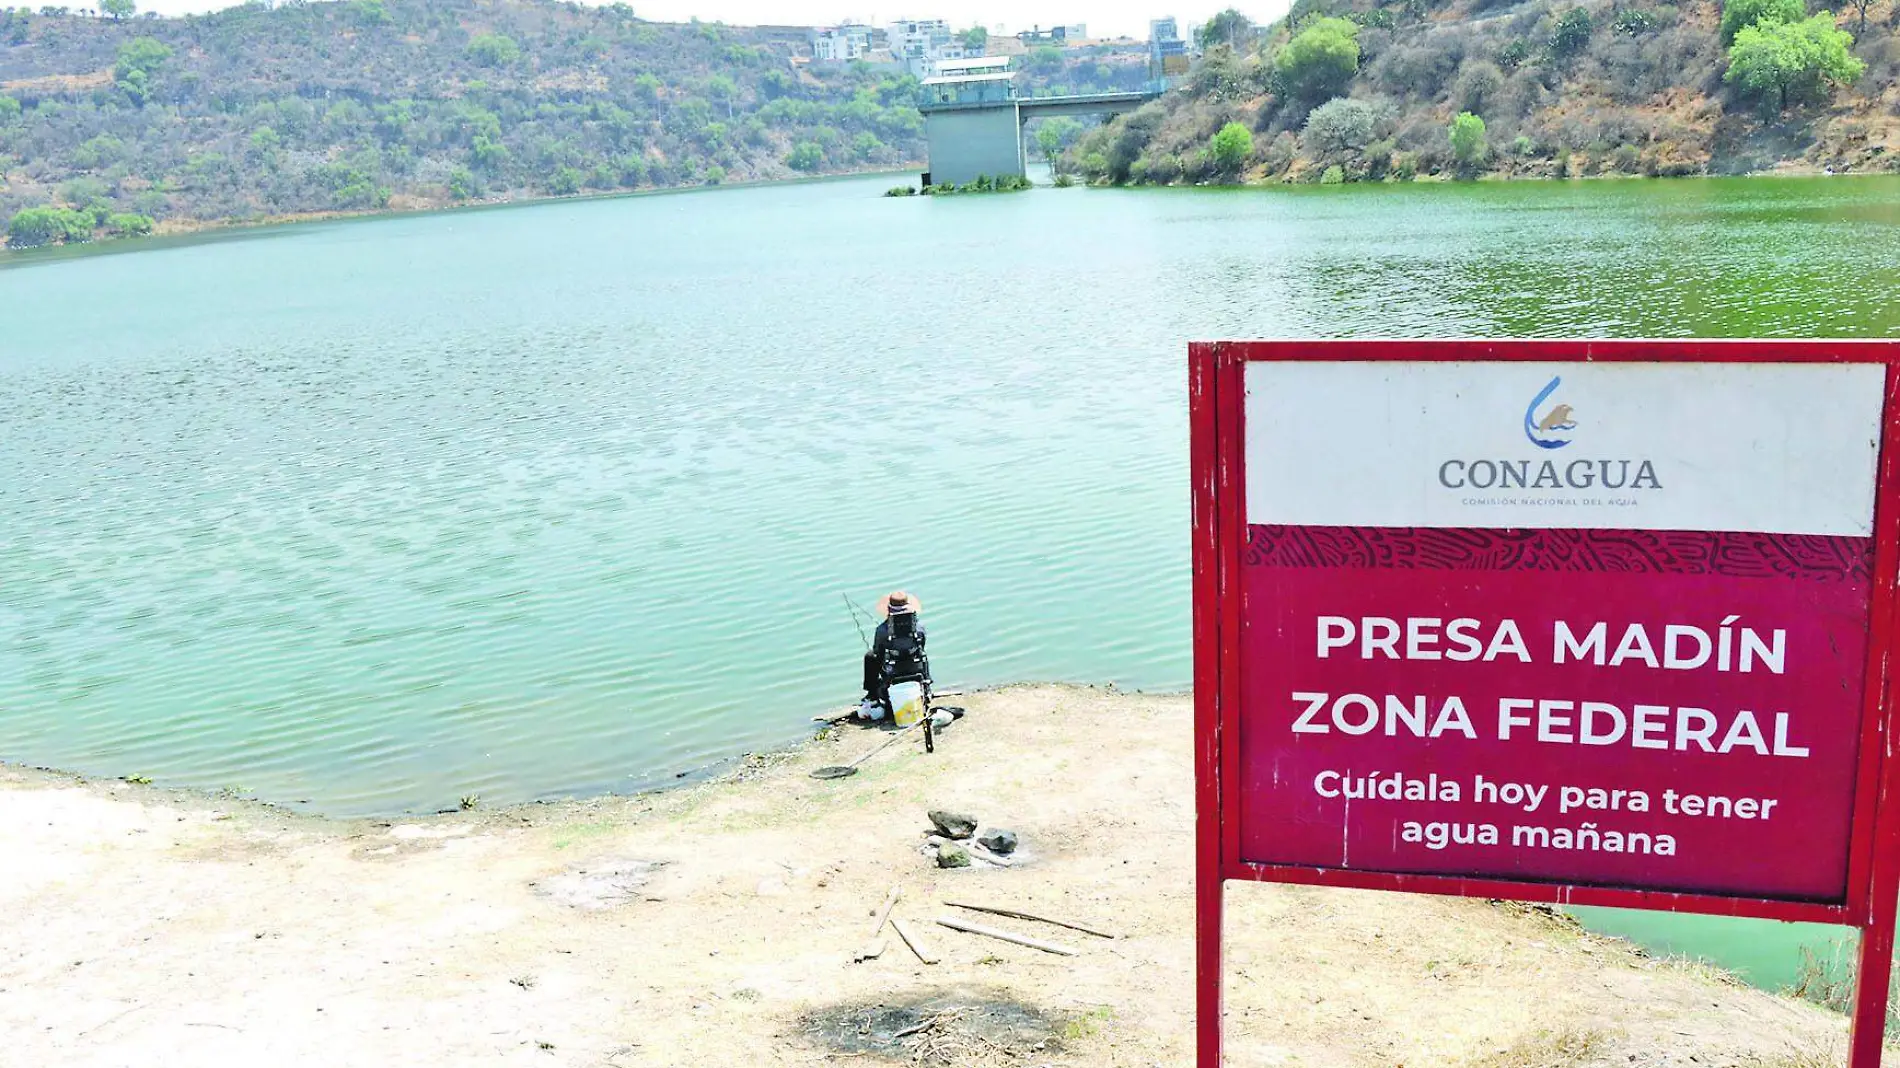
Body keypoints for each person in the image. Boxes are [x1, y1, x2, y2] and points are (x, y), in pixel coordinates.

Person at [860, 590, 928, 719]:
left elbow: (878, 653)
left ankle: (872, 693)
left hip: (892, 672)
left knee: (870, 656)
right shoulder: (920, 627)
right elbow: (922, 647)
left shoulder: (881, 630)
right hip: (915, 668)